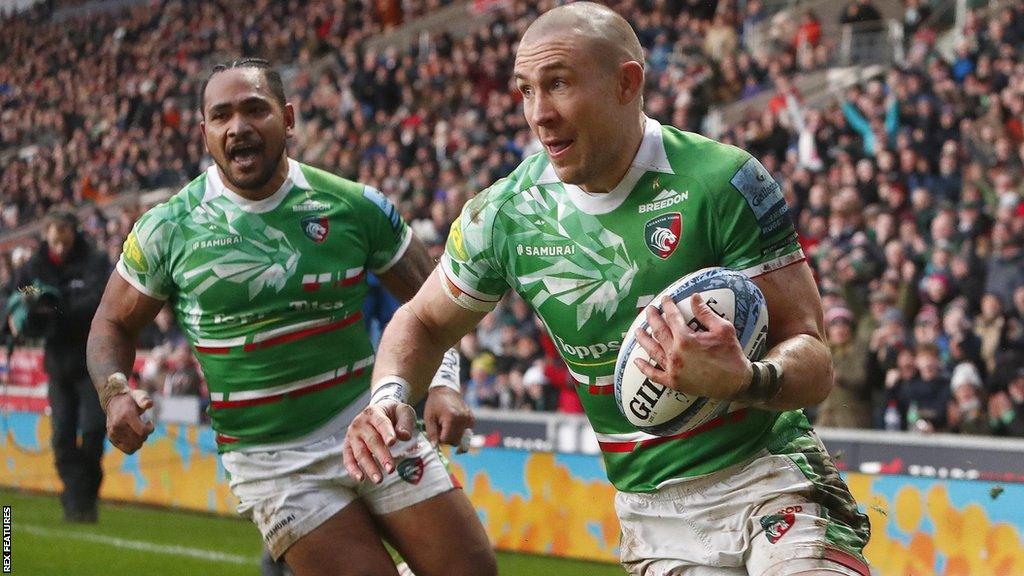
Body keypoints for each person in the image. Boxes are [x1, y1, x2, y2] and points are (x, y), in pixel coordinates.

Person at [343, 4, 871, 575]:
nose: (539, 115)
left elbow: (813, 356)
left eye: (560, 84)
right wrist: (390, 397)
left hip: (772, 480)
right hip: (654, 517)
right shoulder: (506, 215)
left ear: (628, 83)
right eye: (525, 91)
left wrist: (746, 379)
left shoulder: (722, 181)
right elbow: (421, 322)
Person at [86, 59, 496, 576]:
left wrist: (442, 383)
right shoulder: (168, 229)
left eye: (255, 110)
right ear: (205, 132)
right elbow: (111, 324)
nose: (238, 127)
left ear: (288, 117)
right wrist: (115, 392)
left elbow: (434, 299)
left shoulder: (354, 206)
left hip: (370, 424)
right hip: (271, 460)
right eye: (221, 116)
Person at [9, 208, 110, 522]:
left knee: (94, 433)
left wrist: (55, 308)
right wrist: (36, 298)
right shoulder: (35, 265)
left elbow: (96, 301)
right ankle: (75, 500)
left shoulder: (94, 262)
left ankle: (84, 495)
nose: (59, 242)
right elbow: (19, 291)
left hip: (92, 360)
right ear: (46, 235)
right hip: (58, 362)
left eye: (64, 234)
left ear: (73, 232)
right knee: (62, 437)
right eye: (53, 235)